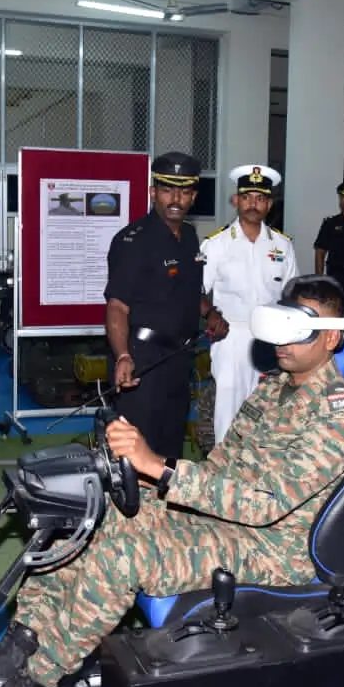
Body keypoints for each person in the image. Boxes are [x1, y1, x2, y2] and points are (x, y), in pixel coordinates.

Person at [0, 276, 344, 687]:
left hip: (274, 548)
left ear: (331, 337)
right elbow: (223, 470)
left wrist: (159, 468)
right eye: (280, 325)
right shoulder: (274, 391)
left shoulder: (338, 417)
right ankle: (16, 650)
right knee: (90, 515)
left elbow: (265, 504)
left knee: (122, 557)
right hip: (228, 520)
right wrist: (155, 477)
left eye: (298, 331)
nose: (283, 342)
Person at [104, 152, 228, 461]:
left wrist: (209, 312)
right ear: (152, 192)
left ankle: (163, 508)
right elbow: (117, 306)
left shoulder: (188, 236)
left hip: (179, 359)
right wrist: (122, 356)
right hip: (142, 361)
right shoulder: (133, 241)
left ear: (193, 196)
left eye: (184, 191)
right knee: (135, 448)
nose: (176, 198)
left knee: (170, 444)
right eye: (168, 189)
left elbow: (187, 290)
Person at [200, 164, 299, 445]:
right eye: (247, 197)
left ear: (269, 204)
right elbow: (198, 291)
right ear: (236, 200)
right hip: (231, 335)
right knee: (229, 411)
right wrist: (210, 314)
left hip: (271, 337)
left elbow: (292, 293)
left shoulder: (282, 245)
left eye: (260, 198)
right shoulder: (216, 244)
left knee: (268, 410)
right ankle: (223, 471)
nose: (253, 203)